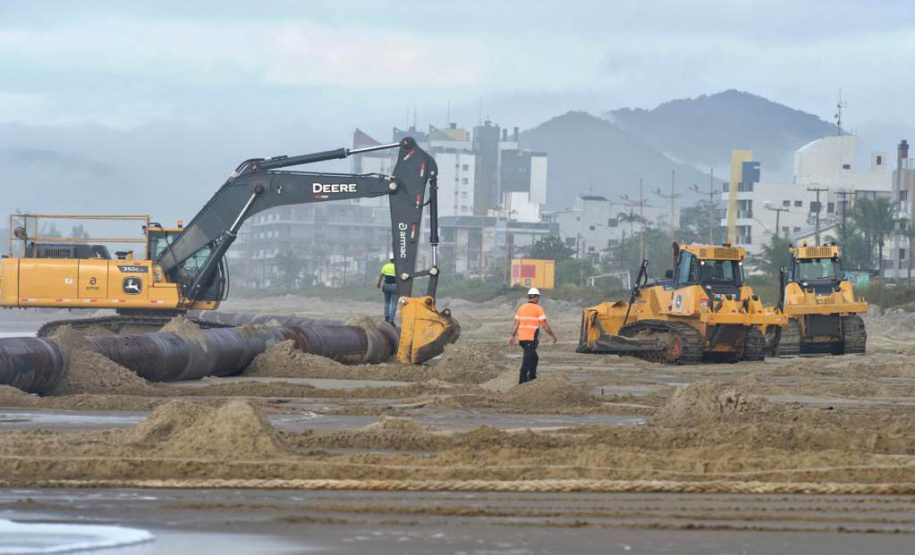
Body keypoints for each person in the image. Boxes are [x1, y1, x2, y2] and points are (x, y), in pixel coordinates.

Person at [508, 288, 557, 384]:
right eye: (538, 297)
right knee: (528, 359)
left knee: (533, 357)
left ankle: (530, 377)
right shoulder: (538, 309)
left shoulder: (521, 308)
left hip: (522, 339)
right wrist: (552, 336)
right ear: (536, 297)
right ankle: (524, 379)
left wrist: (512, 336)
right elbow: (545, 325)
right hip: (530, 338)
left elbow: (516, 324)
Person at [376, 257, 398, 324]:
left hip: (386, 286)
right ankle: (391, 320)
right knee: (394, 303)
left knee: (386, 302)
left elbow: (381, 276)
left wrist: (378, 283)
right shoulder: (398, 267)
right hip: (395, 287)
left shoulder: (385, 266)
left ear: (390, 260)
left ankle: (386, 318)